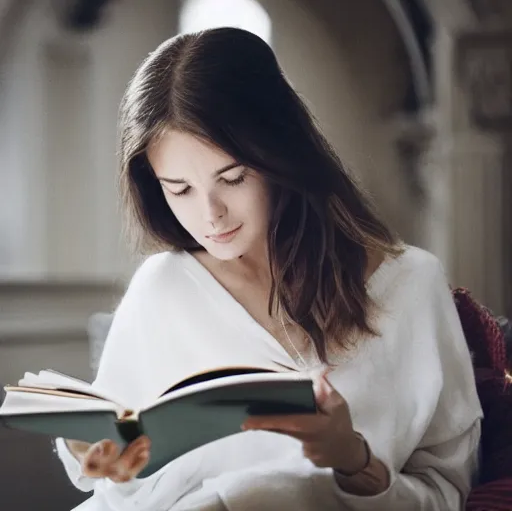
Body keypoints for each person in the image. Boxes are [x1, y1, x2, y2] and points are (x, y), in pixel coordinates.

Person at [55, 27, 483, 510]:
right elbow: (120, 493)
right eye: (179, 189)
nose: (210, 214)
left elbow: (446, 493)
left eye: (233, 177)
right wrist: (94, 450)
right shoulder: (163, 289)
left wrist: (352, 459)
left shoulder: (412, 287)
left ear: (281, 154)